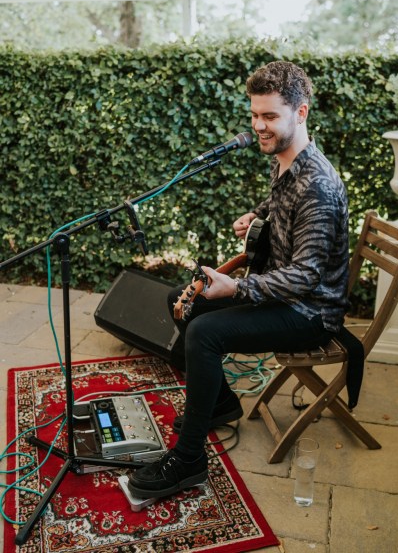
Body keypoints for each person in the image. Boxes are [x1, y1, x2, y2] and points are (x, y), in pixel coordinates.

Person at [128, 60, 349, 499]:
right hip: (281, 294)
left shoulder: (319, 186)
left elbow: (306, 276)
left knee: (205, 332)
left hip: (309, 312)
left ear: (300, 113)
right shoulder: (286, 162)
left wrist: (238, 288)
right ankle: (224, 403)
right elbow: (280, 208)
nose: (259, 126)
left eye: (269, 116)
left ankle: (189, 462)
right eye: (254, 115)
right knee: (182, 298)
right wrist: (258, 216)